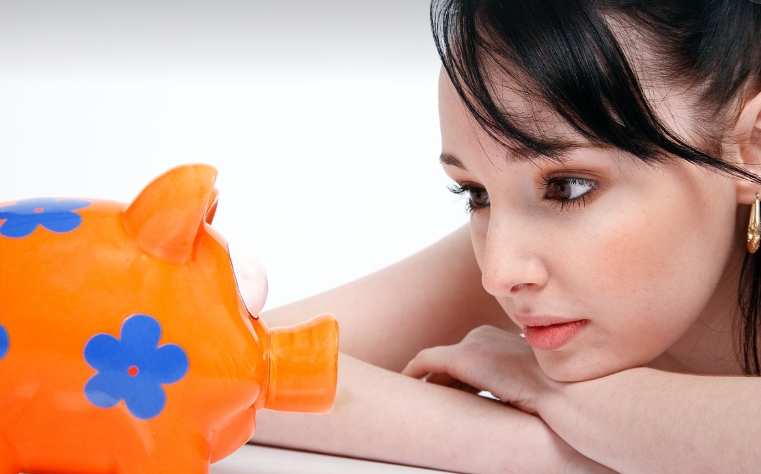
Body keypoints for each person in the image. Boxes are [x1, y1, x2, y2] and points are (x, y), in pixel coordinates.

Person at [250, 0, 761, 472]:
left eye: (567, 187)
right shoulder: (522, 248)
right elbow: (225, 366)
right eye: (476, 194)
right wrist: (543, 445)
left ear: (751, 148)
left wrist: (552, 394)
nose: (498, 274)